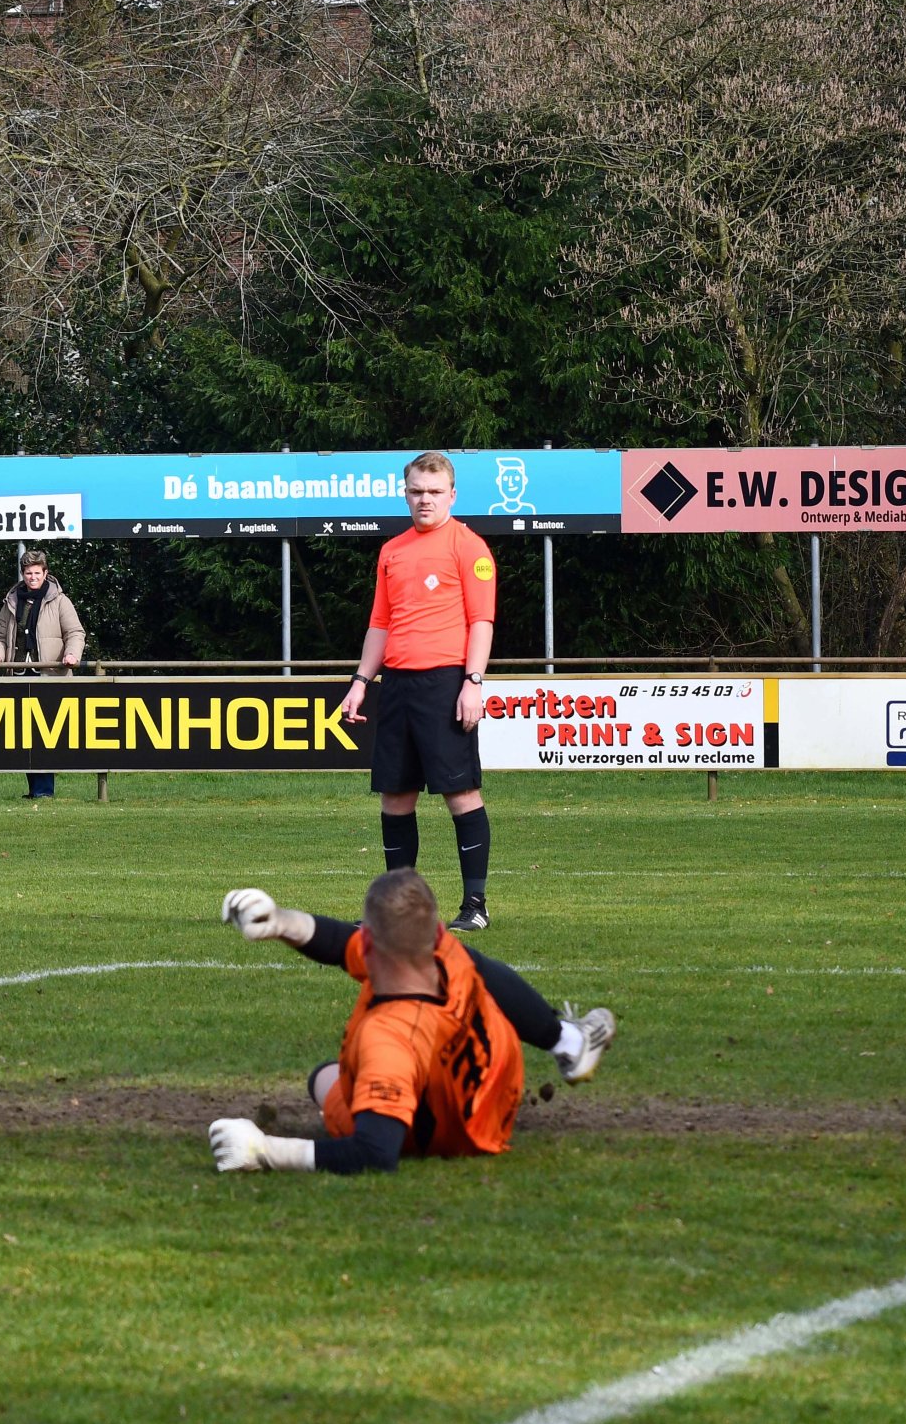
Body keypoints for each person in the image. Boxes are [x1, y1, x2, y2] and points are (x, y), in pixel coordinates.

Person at [206, 870, 615, 1175]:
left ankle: (565, 1043)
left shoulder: (388, 1039)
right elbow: (338, 943)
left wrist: (265, 1151)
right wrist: (280, 921)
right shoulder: (444, 950)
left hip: (458, 1134)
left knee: (327, 1079)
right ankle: (568, 1042)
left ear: (367, 941)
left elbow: (374, 1154)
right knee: (479, 967)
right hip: (499, 1081)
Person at [335, 451, 499, 931]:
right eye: (416, 491)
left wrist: (473, 682)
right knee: (395, 797)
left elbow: (481, 621)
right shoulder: (392, 551)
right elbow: (380, 624)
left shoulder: (469, 547)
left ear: (452, 494)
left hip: (446, 681)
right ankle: (400, 911)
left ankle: (475, 906)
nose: (424, 499)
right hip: (398, 686)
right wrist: (361, 681)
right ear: (405, 493)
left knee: (461, 793)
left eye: (433, 491)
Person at [0, 549, 85, 799]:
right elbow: (0, 637)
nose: (32, 578)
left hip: (49, 676)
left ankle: (44, 790)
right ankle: (34, 789)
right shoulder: (11, 602)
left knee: (45, 735)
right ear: (23, 574)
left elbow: (75, 633)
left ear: (45, 573)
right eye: (28, 573)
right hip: (18, 675)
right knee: (24, 736)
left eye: (37, 573)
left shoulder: (60, 601)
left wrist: (72, 655)